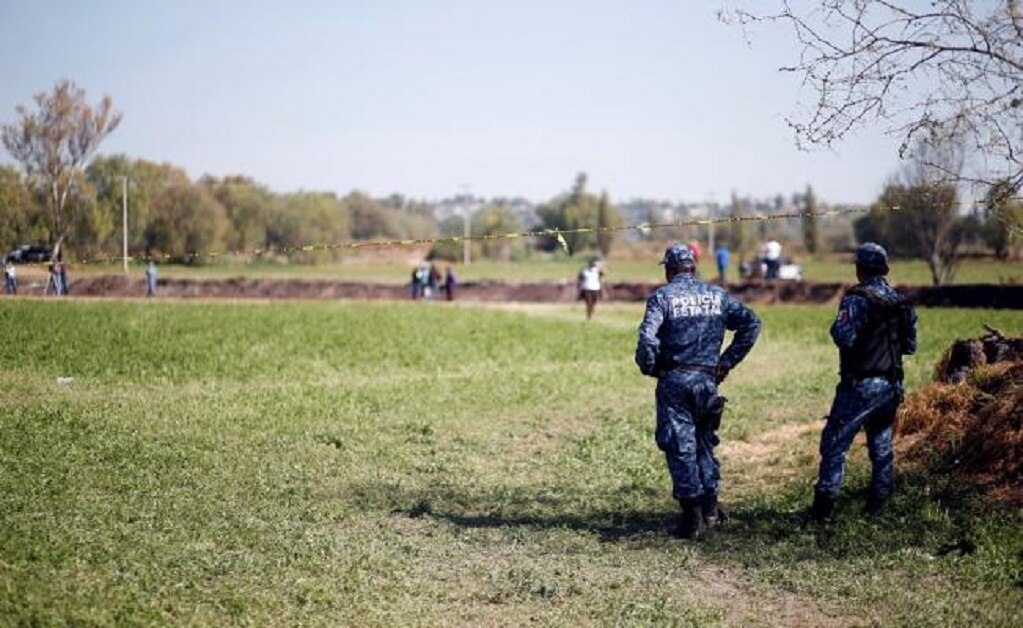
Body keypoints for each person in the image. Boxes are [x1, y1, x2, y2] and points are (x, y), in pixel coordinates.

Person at [635, 243, 761, 539]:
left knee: (680, 446)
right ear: (692, 268)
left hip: (675, 382)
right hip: (707, 381)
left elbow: (647, 338)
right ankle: (711, 511)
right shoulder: (717, 295)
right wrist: (726, 362)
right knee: (704, 443)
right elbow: (752, 324)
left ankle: (692, 519)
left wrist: (650, 367)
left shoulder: (663, 297)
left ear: (669, 270)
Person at [808, 242, 917, 523]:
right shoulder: (901, 302)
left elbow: (843, 336)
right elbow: (910, 346)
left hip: (859, 388)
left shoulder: (857, 299)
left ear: (859, 270)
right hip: (890, 387)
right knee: (881, 448)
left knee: (834, 445)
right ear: (885, 269)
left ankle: (822, 512)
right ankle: (879, 508)